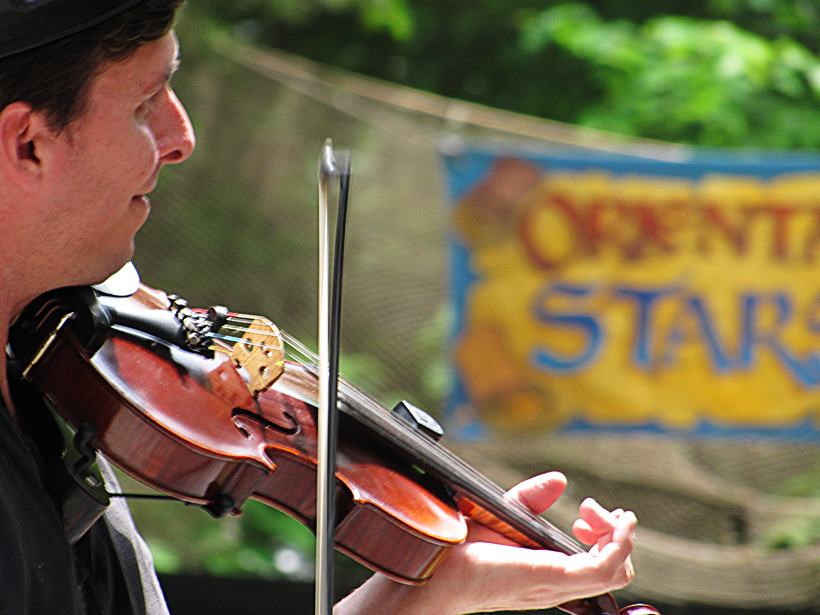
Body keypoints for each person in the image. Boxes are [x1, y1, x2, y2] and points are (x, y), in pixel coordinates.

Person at [0, 1, 637, 613]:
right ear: (29, 143)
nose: (181, 137)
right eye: (145, 104)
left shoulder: (57, 369)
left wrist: (437, 591)